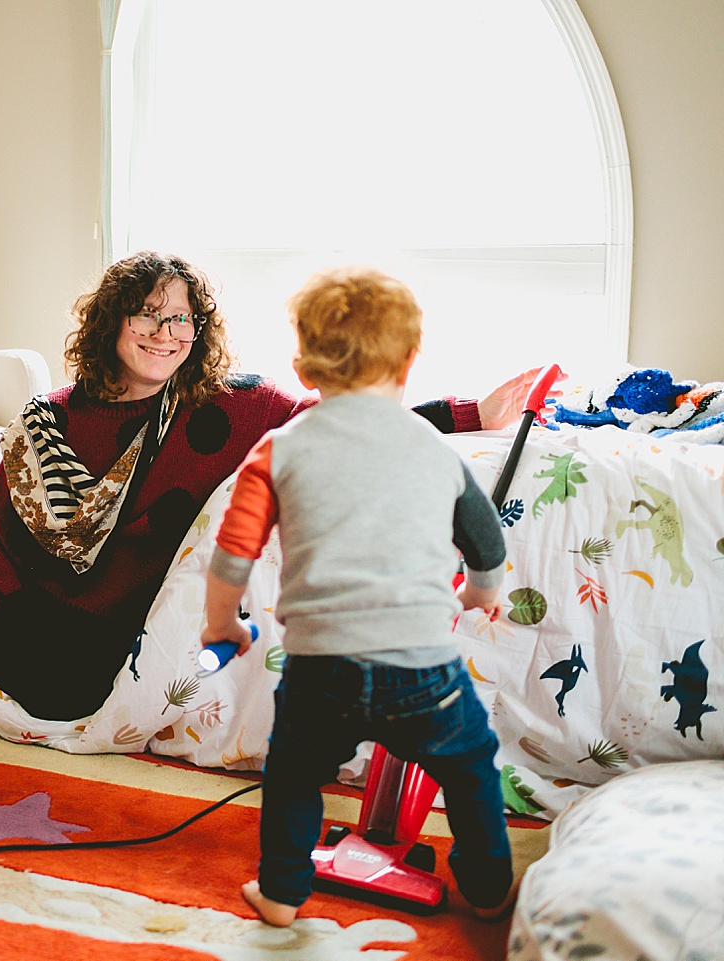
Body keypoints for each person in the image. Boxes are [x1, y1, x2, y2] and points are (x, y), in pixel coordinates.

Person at [0, 250, 554, 722]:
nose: (166, 333)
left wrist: (468, 413)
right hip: (39, 608)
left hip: (116, 631)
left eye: (181, 318)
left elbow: (341, 422)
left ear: (200, 327)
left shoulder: (230, 405)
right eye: (147, 315)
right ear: (113, 323)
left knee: (69, 683)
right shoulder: (51, 417)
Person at [201, 266, 513, 925]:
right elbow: (487, 549)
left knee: (291, 774)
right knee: (471, 765)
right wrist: (477, 594)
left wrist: (222, 625)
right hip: (425, 670)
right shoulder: (436, 449)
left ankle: (283, 892)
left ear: (304, 365)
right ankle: (487, 887)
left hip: (323, 671)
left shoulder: (278, 449)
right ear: (407, 360)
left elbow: (232, 556)